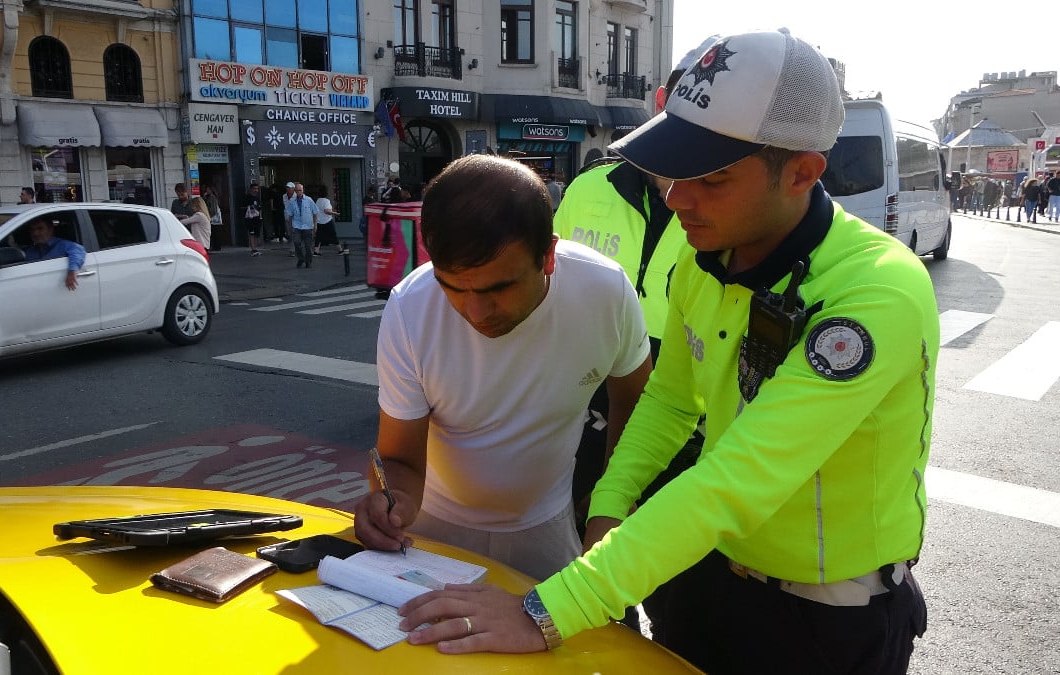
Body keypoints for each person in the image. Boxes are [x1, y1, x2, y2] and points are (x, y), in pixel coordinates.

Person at [398, 30, 935, 675]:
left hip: (826, 620)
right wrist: (606, 507)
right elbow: (672, 400)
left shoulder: (878, 290)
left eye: (711, 178)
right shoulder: (704, 261)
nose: (676, 197)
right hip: (702, 578)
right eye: (673, 170)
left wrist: (547, 610)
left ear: (802, 171)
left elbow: (738, 479)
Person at [353, 154, 652, 581]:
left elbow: (636, 400)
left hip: (546, 523)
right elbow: (399, 457)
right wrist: (391, 501)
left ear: (548, 256)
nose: (475, 311)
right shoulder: (410, 308)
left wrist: (613, 496)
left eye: (499, 287)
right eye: (452, 287)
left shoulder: (606, 291)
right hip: (431, 531)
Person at [553, 33, 718, 634]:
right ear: (658, 102)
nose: (682, 195)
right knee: (600, 597)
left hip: (688, 419)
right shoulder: (588, 188)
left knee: (679, 602)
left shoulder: (723, 214)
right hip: (593, 405)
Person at [23, 217, 86, 290]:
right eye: (32, 230)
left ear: (50, 230)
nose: (35, 233)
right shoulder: (29, 252)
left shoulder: (63, 245)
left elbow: (78, 250)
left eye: (40, 229)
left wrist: (72, 271)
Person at [284, 183, 319, 268]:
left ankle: (308, 261)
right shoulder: (292, 202)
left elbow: (315, 213)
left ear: (303, 190)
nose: (299, 192)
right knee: (296, 243)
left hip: (307, 226)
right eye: (297, 190)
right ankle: (301, 258)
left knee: (308, 246)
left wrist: (315, 225)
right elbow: (290, 215)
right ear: (295, 191)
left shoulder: (309, 200)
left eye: (300, 190)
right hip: (297, 226)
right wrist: (290, 226)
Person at [313, 188, 341, 255]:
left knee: (318, 237)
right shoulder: (326, 201)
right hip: (327, 221)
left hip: (319, 222)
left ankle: (316, 251)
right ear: (326, 193)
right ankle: (340, 250)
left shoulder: (317, 201)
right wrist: (335, 213)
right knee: (333, 235)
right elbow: (327, 211)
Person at [242, 183, 264, 256]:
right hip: (249, 218)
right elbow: (242, 207)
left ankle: (256, 248)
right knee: (251, 233)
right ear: (251, 189)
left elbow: (260, 208)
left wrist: (260, 217)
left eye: (257, 189)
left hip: (257, 218)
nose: (256, 190)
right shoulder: (247, 197)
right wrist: (249, 207)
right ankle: (253, 249)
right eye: (254, 189)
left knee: (257, 233)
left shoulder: (257, 198)